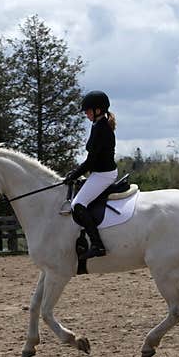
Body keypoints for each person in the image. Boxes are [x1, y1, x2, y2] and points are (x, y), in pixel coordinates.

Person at [63, 90, 118, 260]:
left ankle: (97, 245)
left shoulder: (102, 129)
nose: (86, 113)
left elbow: (91, 160)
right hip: (100, 172)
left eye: (88, 110)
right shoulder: (98, 125)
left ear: (98, 110)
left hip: (104, 174)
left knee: (78, 204)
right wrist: (76, 173)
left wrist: (74, 174)